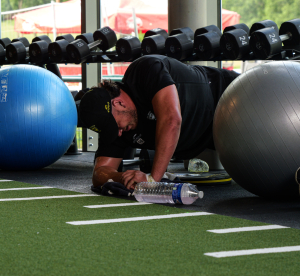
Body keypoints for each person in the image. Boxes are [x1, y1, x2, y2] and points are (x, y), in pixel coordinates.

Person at [78, 55, 239, 190]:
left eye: (114, 126)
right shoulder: (117, 127)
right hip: (211, 137)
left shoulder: (144, 70)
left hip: (234, 99)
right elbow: (99, 173)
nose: (118, 132)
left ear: (118, 103)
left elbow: (171, 119)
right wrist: (123, 177)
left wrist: (151, 180)